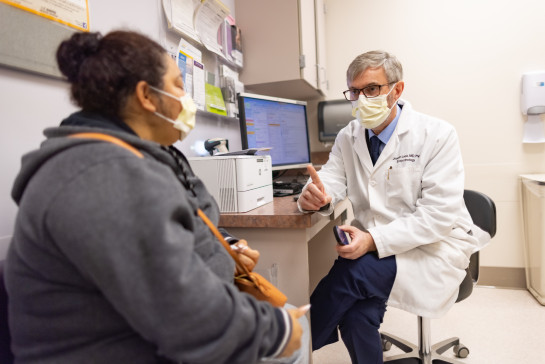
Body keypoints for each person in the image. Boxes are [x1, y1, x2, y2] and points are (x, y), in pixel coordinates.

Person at [5, 30, 309, 364]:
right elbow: (187, 318)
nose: (186, 98)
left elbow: (179, 224)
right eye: (179, 84)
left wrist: (225, 243)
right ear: (146, 96)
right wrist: (275, 332)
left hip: (153, 330)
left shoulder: (138, 156)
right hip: (137, 345)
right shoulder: (103, 177)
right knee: (294, 336)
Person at [298, 50, 490, 364]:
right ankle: (294, 348)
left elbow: (438, 216)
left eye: (371, 89)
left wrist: (372, 240)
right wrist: (316, 195)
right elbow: (331, 178)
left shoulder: (437, 135)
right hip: (380, 247)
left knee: (352, 273)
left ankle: (290, 348)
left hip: (434, 246)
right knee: (356, 314)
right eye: (355, 91)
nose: (362, 99)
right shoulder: (349, 136)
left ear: (396, 90)